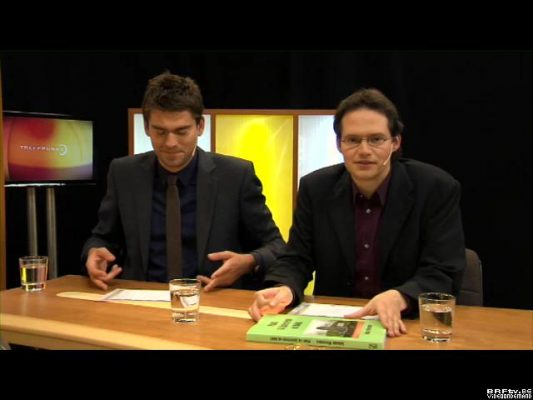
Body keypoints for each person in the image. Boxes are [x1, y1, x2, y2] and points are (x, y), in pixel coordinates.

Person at [249, 88, 465, 337]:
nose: (364, 150)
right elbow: (297, 258)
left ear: (395, 143)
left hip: (407, 326)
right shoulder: (316, 188)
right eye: (352, 140)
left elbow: (444, 270)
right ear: (338, 144)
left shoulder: (435, 188)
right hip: (335, 324)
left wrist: (401, 296)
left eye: (376, 139)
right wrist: (285, 287)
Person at [81, 72, 285, 291]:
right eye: (160, 132)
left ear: (200, 126)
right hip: (141, 298)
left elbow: (277, 246)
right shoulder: (123, 173)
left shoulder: (236, 176)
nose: (170, 143)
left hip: (211, 297)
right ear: (147, 127)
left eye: (181, 131)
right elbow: (102, 238)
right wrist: (94, 252)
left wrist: (249, 262)